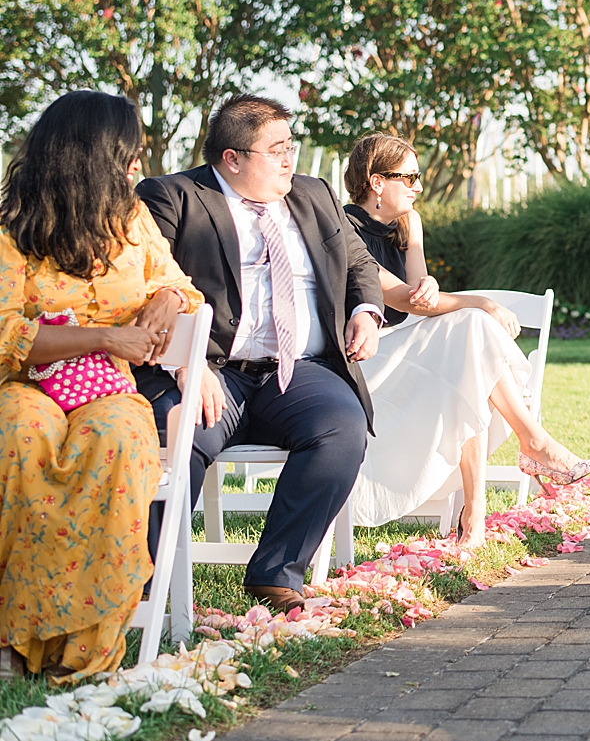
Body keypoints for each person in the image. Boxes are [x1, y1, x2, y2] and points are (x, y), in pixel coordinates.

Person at [133, 95, 385, 614]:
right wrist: (189, 362)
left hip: (297, 372)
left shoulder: (314, 196)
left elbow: (358, 264)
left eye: (291, 146)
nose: (291, 159)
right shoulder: (172, 197)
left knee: (342, 427)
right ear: (233, 158)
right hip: (207, 371)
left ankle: (276, 572)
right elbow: (145, 285)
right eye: (277, 150)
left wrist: (366, 313)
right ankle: (143, 583)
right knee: (179, 437)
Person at [0, 91, 203, 681]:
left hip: (107, 393)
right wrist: (105, 339)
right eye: (128, 153)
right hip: (25, 383)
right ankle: (17, 637)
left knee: (116, 441)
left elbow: (177, 284)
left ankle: (84, 645)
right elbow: (5, 329)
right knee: (20, 436)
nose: (138, 164)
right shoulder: (13, 232)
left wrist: (166, 300)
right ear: (86, 157)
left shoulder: (132, 221)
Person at [340, 134, 590, 548]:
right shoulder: (343, 228)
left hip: (405, 344)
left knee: (470, 357)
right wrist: (481, 302)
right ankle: (532, 444)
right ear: (376, 182)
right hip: (367, 359)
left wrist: (430, 285)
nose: (418, 187)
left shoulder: (410, 223)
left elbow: (418, 293)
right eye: (408, 178)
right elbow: (401, 298)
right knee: (471, 329)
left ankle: (475, 512)